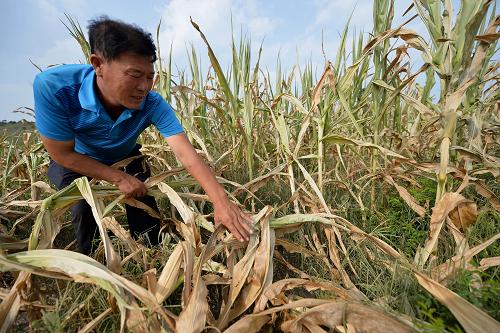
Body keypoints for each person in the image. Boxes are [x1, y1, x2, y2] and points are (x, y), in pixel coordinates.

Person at [33, 16, 253, 255]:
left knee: (144, 203)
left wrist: (221, 202)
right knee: (84, 208)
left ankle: (151, 256)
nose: (144, 87)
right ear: (98, 64)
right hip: (77, 159)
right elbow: (62, 154)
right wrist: (116, 178)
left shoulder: (152, 103)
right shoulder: (54, 87)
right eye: (135, 75)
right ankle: (92, 268)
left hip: (125, 156)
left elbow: (185, 153)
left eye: (150, 76)